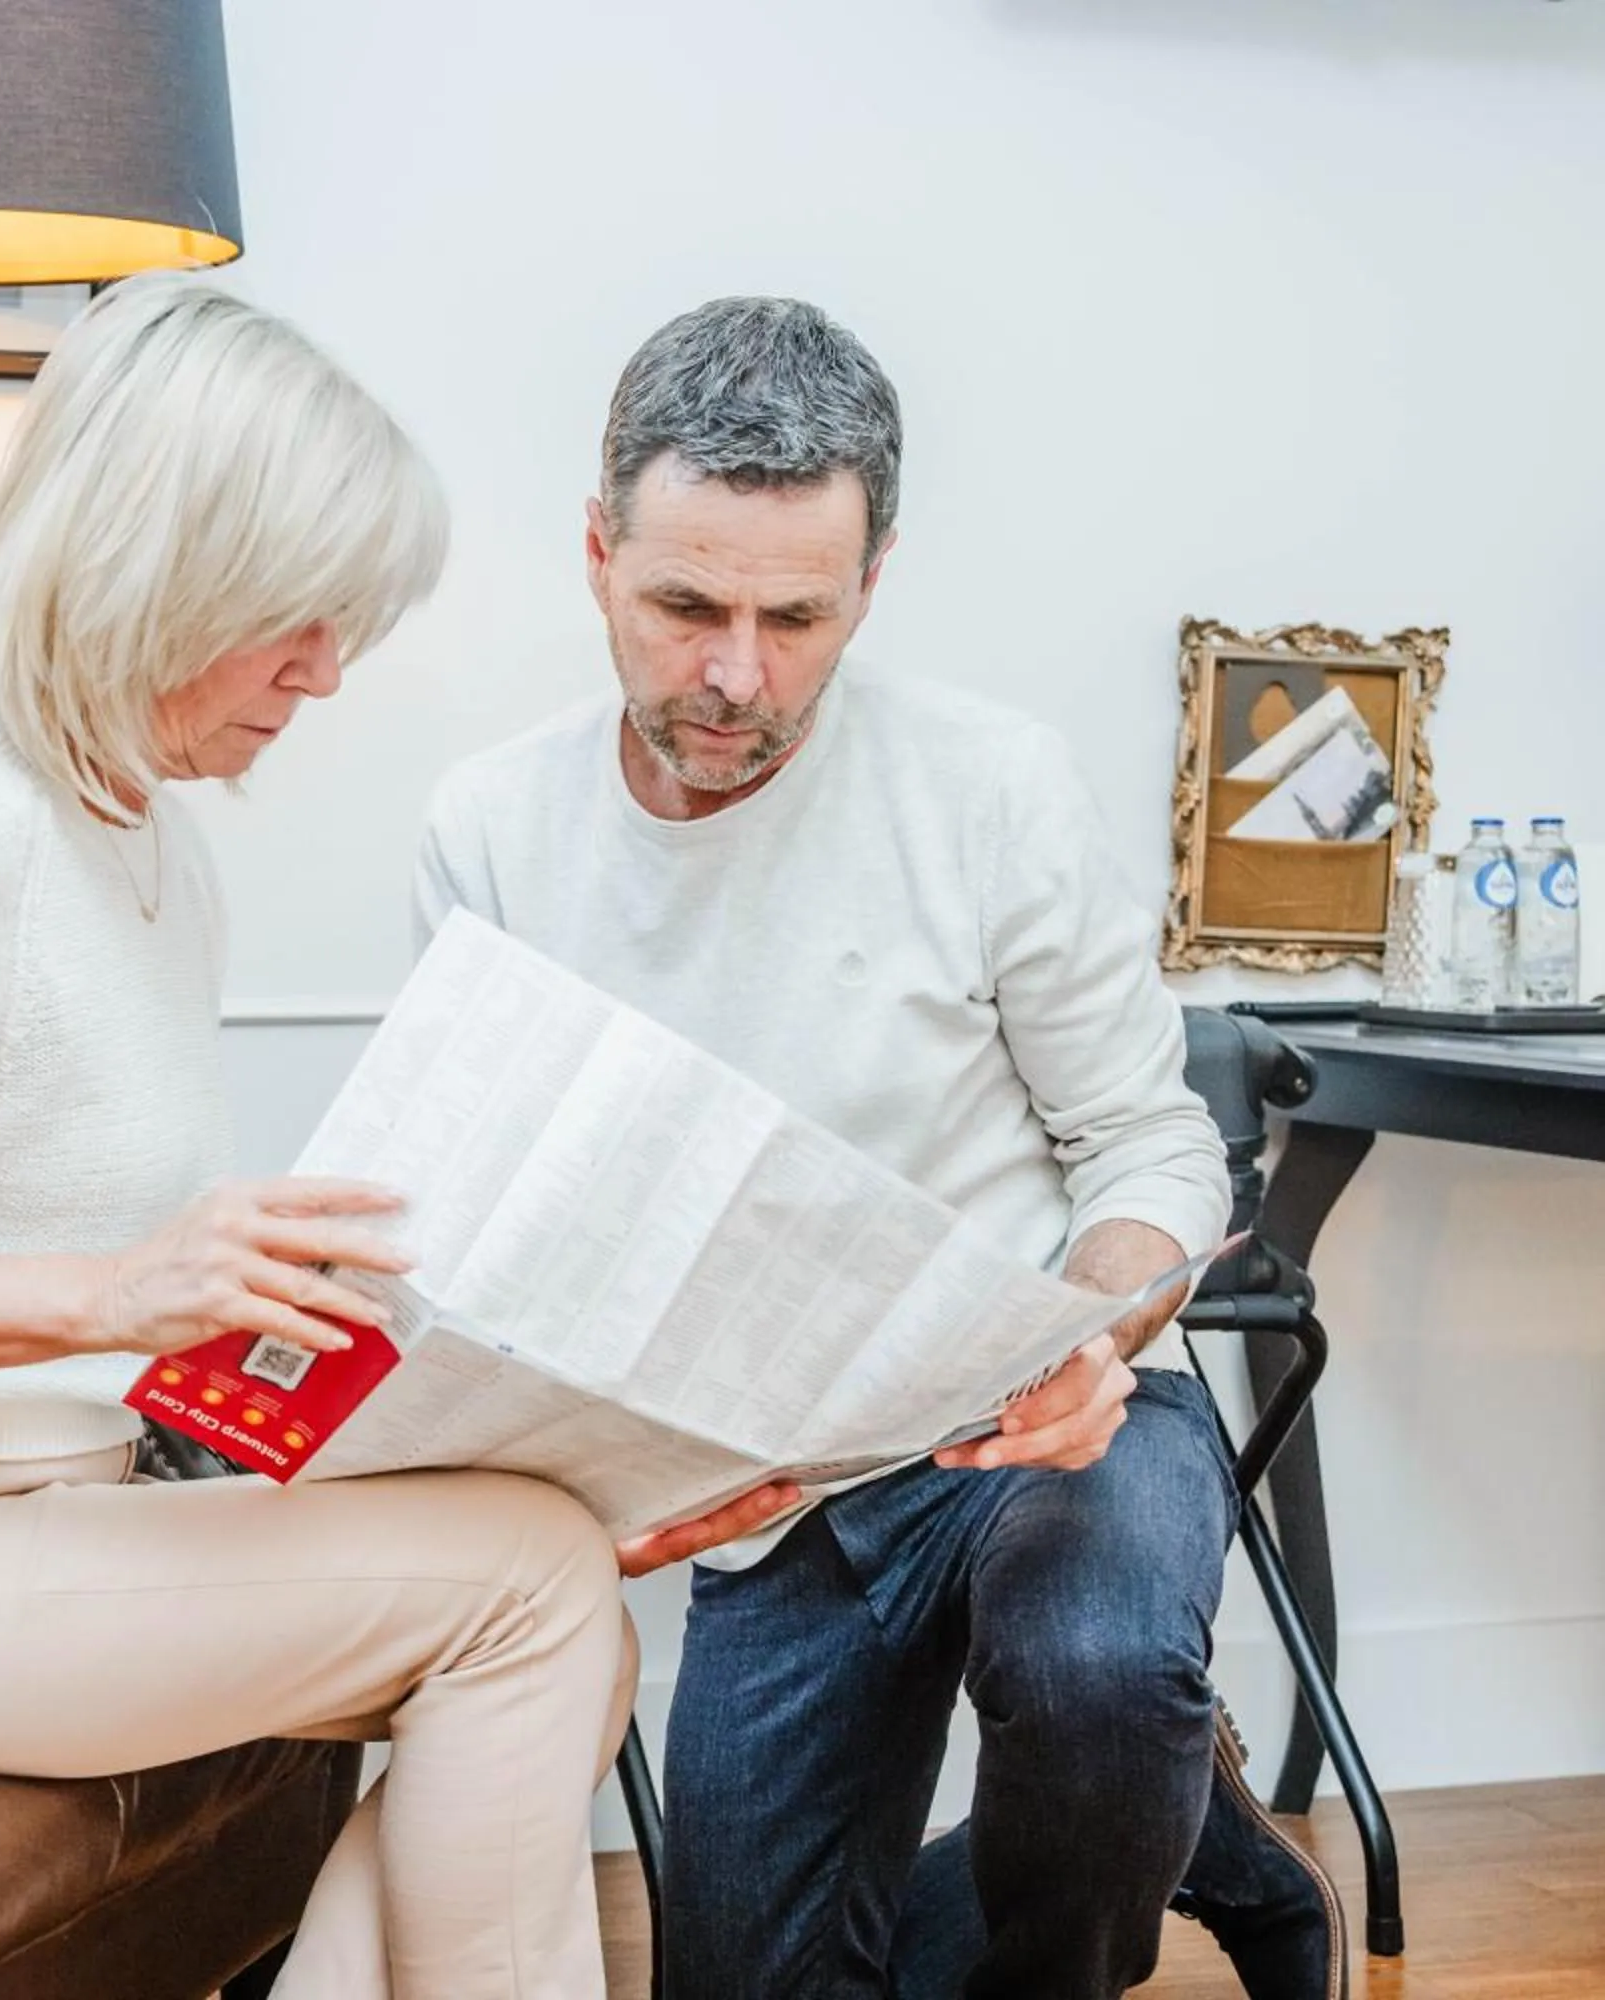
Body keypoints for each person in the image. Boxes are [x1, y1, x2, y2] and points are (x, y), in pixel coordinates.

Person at [0, 277, 791, 2000]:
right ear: (152, 571)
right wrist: (114, 1293)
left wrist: (534, 1443)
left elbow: (122, 1315)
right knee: (530, 1599)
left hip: (19, 1517)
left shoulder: (149, 850)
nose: (326, 671)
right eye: (291, 616)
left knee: (561, 1608)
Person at [416, 297, 1334, 1998]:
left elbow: (1146, 1140)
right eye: (685, 607)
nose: (736, 676)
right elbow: (496, 1223)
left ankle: (1130, 1779)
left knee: (1098, 1673)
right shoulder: (491, 833)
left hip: (1045, 1415)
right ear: (599, 553)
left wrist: (1094, 1322)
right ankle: (1175, 1817)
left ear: (873, 581)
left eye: (797, 618)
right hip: (773, 1485)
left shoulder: (989, 787)